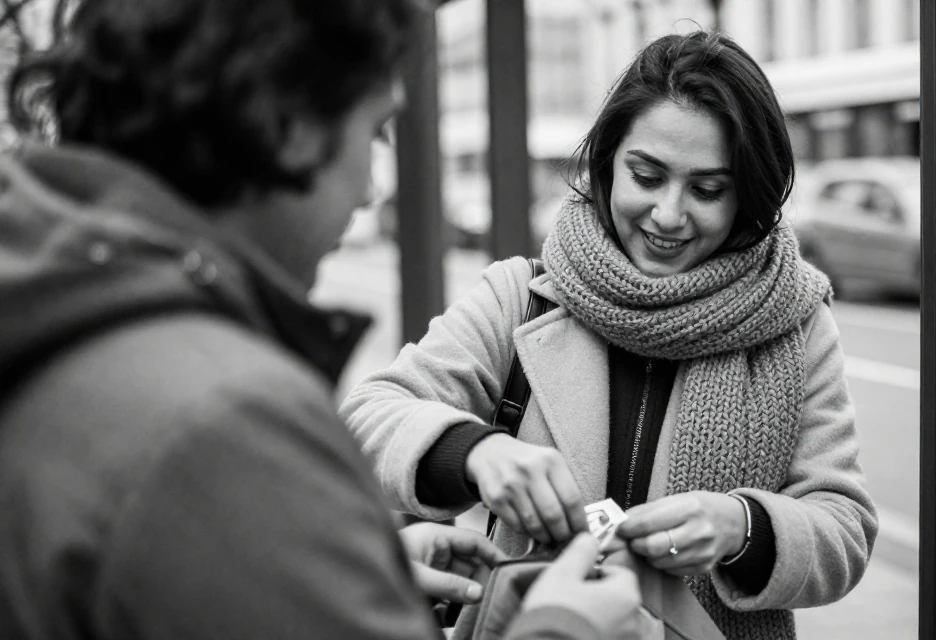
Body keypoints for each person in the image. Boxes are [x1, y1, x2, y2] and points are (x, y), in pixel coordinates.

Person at [0, 0, 639, 638]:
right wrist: (562, 628)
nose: (368, 189)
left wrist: (340, 583)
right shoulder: (230, 417)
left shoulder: (62, 307)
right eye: (376, 131)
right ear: (291, 125)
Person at [341, 30, 879, 640]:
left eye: (707, 190)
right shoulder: (521, 296)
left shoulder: (796, 321)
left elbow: (844, 526)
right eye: (647, 176)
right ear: (607, 162)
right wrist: (476, 453)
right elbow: (367, 418)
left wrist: (742, 527)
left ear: (746, 196)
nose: (669, 215)